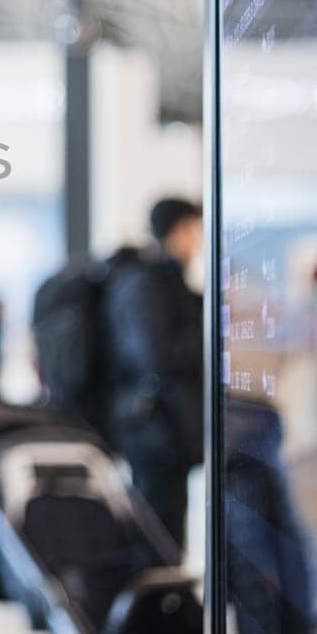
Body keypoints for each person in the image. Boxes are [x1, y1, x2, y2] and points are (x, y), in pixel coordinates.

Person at [102, 197, 205, 548]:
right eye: (195, 230)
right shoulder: (147, 283)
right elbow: (158, 356)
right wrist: (212, 335)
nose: (198, 241)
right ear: (178, 231)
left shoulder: (157, 281)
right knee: (159, 538)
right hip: (153, 430)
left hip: (160, 429)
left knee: (164, 533)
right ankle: (160, 602)